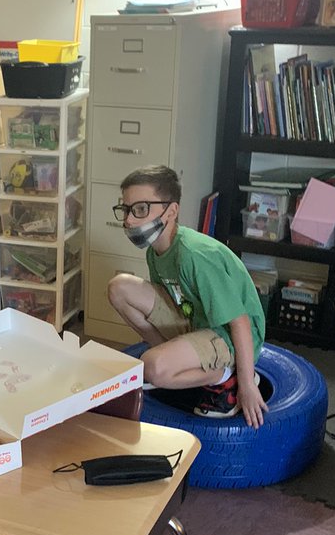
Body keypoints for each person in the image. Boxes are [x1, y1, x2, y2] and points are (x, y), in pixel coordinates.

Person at [106, 165, 267, 427]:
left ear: (171, 211)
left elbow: (240, 322)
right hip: (196, 318)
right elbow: (172, 299)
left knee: (153, 367)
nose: (129, 220)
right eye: (126, 209)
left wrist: (247, 385)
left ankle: (224, 376)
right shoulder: (154, 251)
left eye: (141, 209)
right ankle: (171, 358)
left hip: (226, 335)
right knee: (119, 287)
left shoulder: (195, 255)